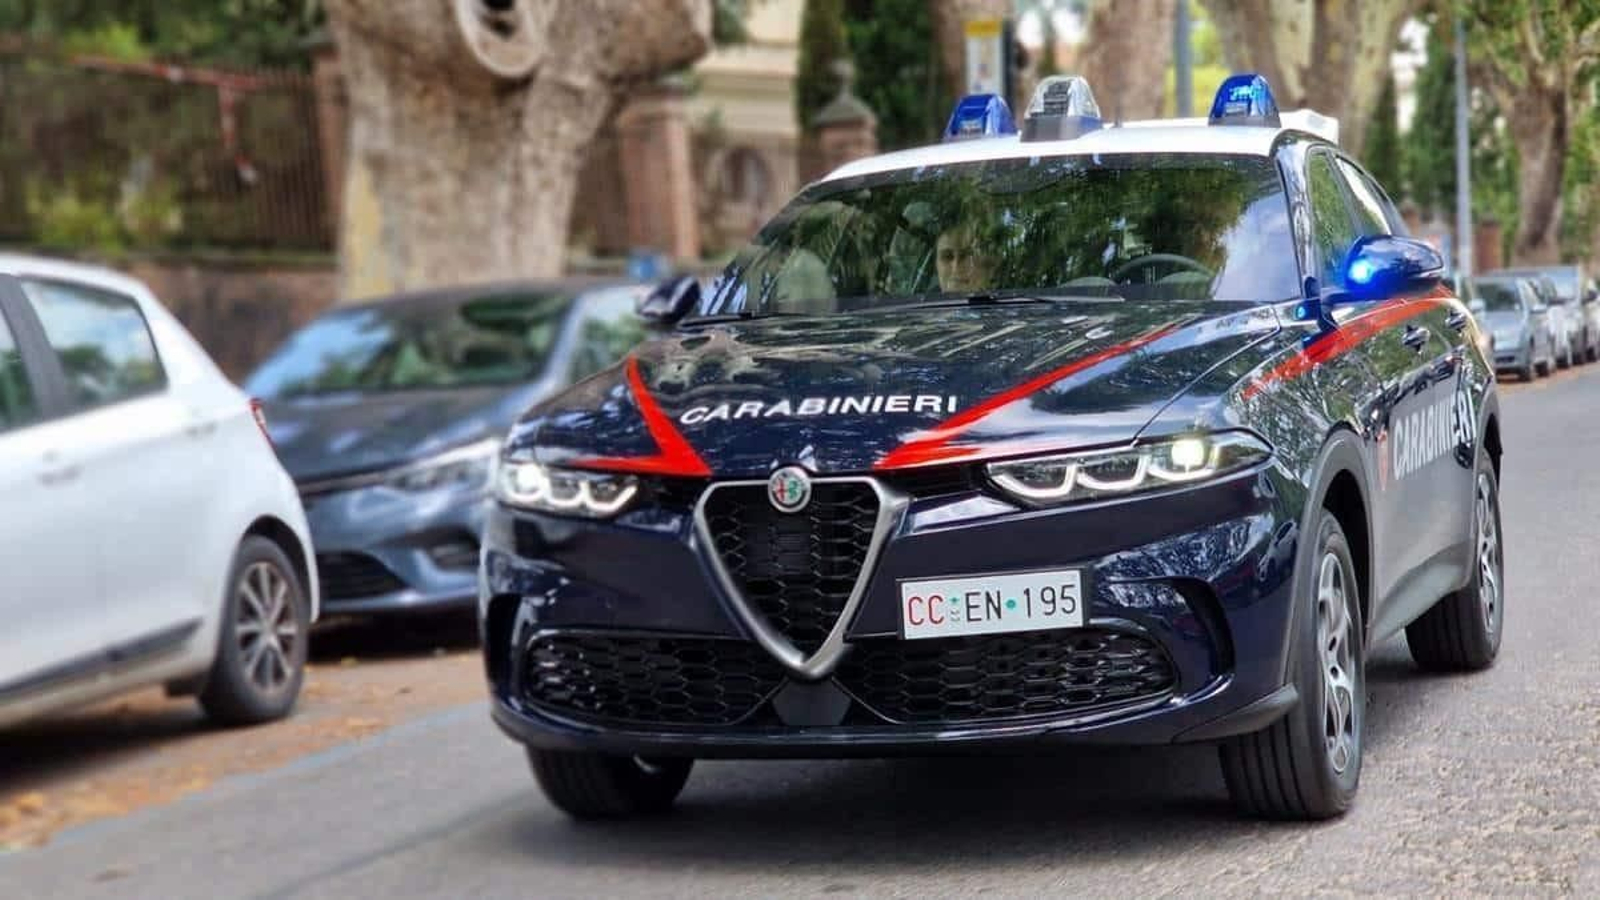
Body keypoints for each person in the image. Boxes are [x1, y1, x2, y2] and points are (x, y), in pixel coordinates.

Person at [935, 219, 997, 293]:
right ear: (936, 265)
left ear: (990, 268)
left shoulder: (1009, 300)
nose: (955, 267)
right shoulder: (923, 302)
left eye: (966, 256)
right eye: (947, 257)